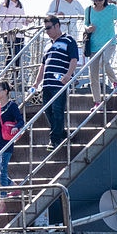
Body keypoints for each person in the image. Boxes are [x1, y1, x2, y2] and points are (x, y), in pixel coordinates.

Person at [32, 15, 79, 151]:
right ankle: (63, 134)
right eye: (45, 29)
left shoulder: (69, 40)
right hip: (47, 83)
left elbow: (74, 59)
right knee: (48, 111)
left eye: (49, 28)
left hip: (59, 83)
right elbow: (43, 65)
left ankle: (54, 140)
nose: (47, 31)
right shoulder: (48, 45)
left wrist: (68, 75)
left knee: (58, 110)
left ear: (57, 26)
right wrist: (36, 83)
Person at [0, 80, 25, 214]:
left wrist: (16, 127)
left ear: (6, 91)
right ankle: (14, 186)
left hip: (6, 143)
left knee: (2, 172)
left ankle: (2, 203)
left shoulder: (12, 106)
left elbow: (21, 120)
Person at [84, 0, 117, 109]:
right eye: (95, 0)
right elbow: (86, 25)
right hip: (93, 45)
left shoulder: (112, 8)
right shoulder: (88, 10)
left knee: (104, 62)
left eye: (100, 0)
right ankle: (97, 102)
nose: (98, 2)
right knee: (93, 75)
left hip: (109, 43)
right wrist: (88, 29)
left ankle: (115, 82)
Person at [0, 0, 31, 66]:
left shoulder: (20, 5)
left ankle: (14, 76)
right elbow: (1, 19)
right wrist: (7, 33)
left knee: (18, 55)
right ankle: (6, 74)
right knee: (12, 54)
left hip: (19, 33)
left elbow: (22, 18)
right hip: (9, 33)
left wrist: (27, 20)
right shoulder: (4, 4)